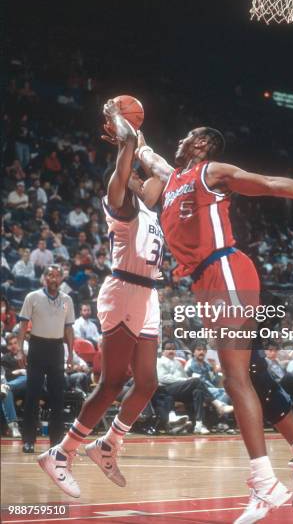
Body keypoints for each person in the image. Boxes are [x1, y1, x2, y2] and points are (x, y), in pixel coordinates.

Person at [110, 121, 293, 523]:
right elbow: (145, 151)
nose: (179, 140)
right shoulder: (172, 176)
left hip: (225, 268)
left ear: (203, 144)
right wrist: (121, 125)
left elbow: (270, 183)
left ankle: (264, 483)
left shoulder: (211, 172)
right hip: (204, 281)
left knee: (236, 377)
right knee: (250, 372)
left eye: (187, 136)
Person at [38, 104, 164, 500]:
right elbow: (127, 148)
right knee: (112, 382)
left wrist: (141, 143)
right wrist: (118, 118)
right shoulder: (119, 201)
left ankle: (108, 444)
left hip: (148, 293)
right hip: (124, 289)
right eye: (133, 177)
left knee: (146, 383)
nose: (142, 182)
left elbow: (160, 174)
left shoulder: (145, 206)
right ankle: (61, 453)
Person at [16, 265, 75, 453]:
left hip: (57, 348)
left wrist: (71, 353)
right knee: (32, 395)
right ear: (44, 278)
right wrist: (19, 350)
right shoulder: (32, 297)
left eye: (57, 276)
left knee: (57, 397)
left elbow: (69, 329)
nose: (54, 278)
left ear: (61, 279)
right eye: (50, 275)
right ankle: (29, 441)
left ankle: (56, 441)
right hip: (37, 346)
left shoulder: (67, 300)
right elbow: (23, 326)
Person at [157, 340, 232, 434]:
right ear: (163, 351)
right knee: (196, 381)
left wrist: (218, 373)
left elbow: (186, 378)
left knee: (198, 391)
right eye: (168, 349)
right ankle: (218, 404)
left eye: (173, 349)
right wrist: (184, 380)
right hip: (167, 389)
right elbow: (163, 378)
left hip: (181, 389)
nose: (171, 351)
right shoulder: (159, 361)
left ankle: (199, 425)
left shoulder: (178, 363)